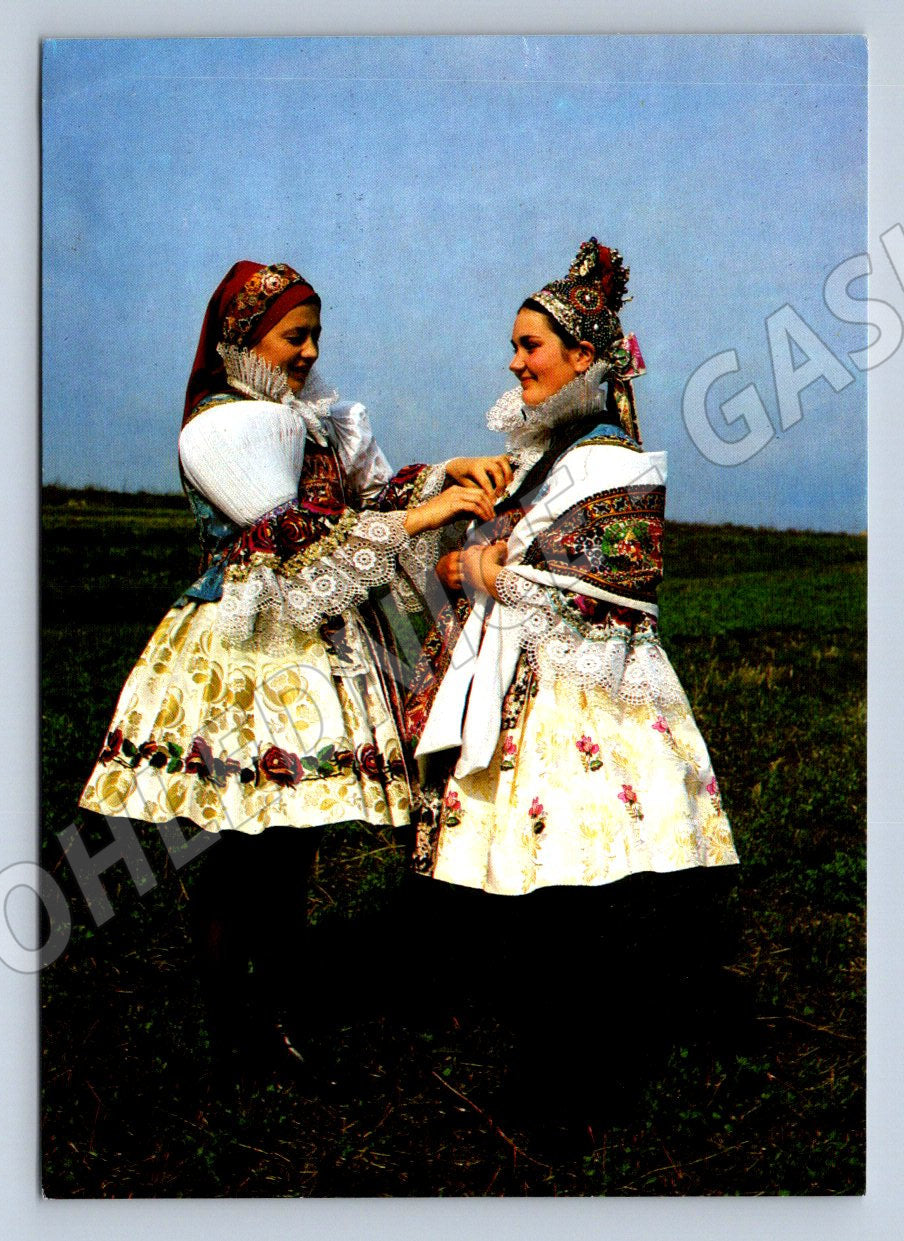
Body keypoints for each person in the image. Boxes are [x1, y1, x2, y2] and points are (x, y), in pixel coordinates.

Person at [79, 259, 511, 1067]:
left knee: (292, 834)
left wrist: (443, 474)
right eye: (293, 335)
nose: (309, 352)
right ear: (243, 338)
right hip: (248, 646)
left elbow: (361, 505)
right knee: (239, 841)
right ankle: (228, 1020)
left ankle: (276, 1005)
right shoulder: (221, 425)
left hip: (310, 635)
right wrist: (428, 512)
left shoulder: (312, 420)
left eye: (316, 335)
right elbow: (291, 539)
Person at [404, 240, 739, 1128]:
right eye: (514, 346)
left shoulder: (613, 461)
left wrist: (478, 569)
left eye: (531, 347)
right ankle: (559, 1076)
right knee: (543, 896)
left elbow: (605, 585)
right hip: (534, 687)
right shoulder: (543, 459)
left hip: (587, 698)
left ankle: (572, 1090)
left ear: (582, 357)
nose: (514, 361)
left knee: (574, 896)